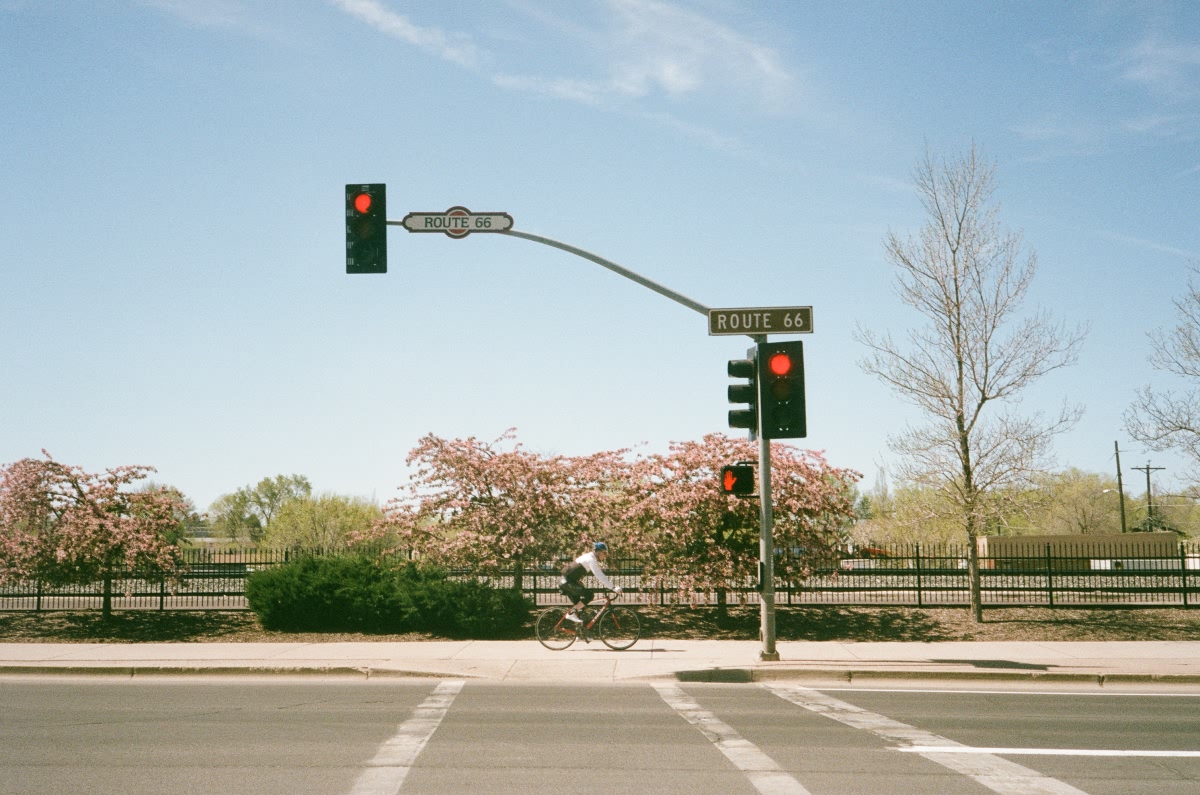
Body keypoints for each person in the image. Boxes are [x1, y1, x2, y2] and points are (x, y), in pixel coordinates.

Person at [559, 542, 621, 626]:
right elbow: (599, 575)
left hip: (569, 582)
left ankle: (581, 634)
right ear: (598, 552)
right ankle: (570, 614)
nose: (605, 556)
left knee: (581, 609)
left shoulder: (590, 557)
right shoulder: (591, 559)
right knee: (589, 595)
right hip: (566, 582)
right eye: (604, 553)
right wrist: (613, 588)